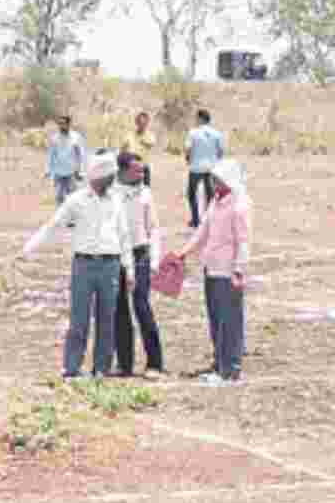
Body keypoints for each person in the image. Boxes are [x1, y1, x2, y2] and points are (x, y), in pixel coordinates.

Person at [20, 152, 134, 379]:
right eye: (109, 175)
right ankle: (71, 368)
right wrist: (29, 248)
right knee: (79, 319)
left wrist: (128, 268)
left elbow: (124, 235)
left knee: (107, 320)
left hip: (110, 265)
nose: (112, 179)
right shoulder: (77, 200)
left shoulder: (116, 200)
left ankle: (101, 368)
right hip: (84, 265)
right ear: (98, 176)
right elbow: (53, 226)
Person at [168, 157, 249, 384]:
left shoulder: (239, 205)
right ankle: (219, 364)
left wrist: (239, 270)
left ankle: (230, 369)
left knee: (230, 321)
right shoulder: (216, 201)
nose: (213, 183)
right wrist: (183, 253)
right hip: (211, 269)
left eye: (218, 179)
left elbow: (243, 242)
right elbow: (202, 233)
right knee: (216, 320)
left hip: (228, 272)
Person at [113, 151, 165, 378]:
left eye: (143, 169)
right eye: (137, 169)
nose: (142, 173)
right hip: (116, 256)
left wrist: (155, 260)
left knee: (141, 305)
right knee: (119, 310)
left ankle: (155, 362)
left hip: (140, 254)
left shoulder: (146, 194)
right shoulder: (112, 193)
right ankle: (124, 364)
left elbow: (153, 228)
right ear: (123, 171)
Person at [185, 109, 225, 229]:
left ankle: (196, 220)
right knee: (210, 195)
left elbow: (188, 148)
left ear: (201, 118)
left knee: (191, 194)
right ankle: (209, 220)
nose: (195, 120)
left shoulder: (193, 133)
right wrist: (216, 162)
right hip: (211, 168)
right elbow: (221, 151)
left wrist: (188, 158)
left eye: (196, 118)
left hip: (196, 167)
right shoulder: (217, 133)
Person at [46, 115, 85, 208]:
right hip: (58, 172)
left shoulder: (76, 137)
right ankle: (61, 218)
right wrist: (48, 170)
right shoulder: (54, 138)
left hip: (71, 172)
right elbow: (51, 154)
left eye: (63, 124)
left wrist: (80, 170)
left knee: (73, 197)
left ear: (68, 124)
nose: (61, 126)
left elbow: (80, 154)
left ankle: (72, 218)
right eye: (59, 124)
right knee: (59, 197)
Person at [122, 111, 157, 188]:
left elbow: (151, 143)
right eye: (140, 122)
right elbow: (123, 149)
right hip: (130, 167)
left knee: (145, 191)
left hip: (143, 167)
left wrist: (142, 141)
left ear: (147, 123)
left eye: (144, 123)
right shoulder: (129, 135)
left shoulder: (150, 136)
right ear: (136, 123)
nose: (142, 125)